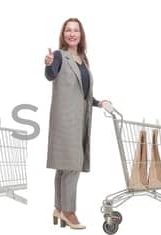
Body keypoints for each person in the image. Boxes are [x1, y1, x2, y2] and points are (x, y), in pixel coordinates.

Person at [41, 17, 111, 231]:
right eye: (68, 30)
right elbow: (51, 75)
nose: (72, 34)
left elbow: (83, 92)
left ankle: (58, 207)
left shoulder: (83, 59)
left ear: (81, 35)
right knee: (72, 165)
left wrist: (99, 102)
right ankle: (69, 212)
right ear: (63, 35)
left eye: (76, 31)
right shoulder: (59, 56)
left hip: (80, 119)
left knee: (64, 168)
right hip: (65, 120)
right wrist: (49, 65)